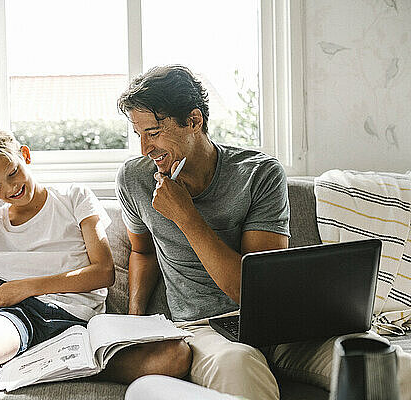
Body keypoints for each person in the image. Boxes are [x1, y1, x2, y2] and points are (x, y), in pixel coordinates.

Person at [112, 65, 411, 399]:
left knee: (389, 365)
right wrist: (134, 324)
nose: (144, 148)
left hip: (284, 326)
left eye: (152, 132)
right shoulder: (134, 179)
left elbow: (253, 291)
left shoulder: (259, 174)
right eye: (138, 134)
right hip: (203, 329)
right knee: (239, 366)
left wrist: (186, 216)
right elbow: (142, 251)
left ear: (194, 121)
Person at [0, 129, 187, 399]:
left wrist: (26, 286)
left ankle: (60, 366)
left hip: (83, 327)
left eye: (13, 172)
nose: (11, 188)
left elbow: (104, 272)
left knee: (177, 355)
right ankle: (43, 362)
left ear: (25, 155)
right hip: (21, 320)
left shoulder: (74, 197)